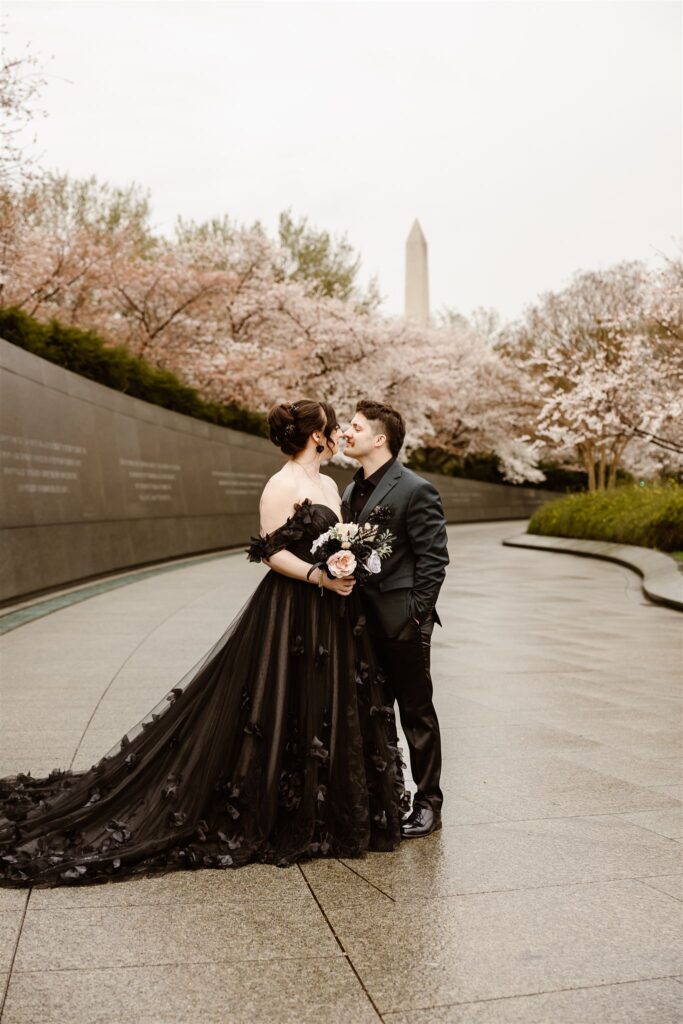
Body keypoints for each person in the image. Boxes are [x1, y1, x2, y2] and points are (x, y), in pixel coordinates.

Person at [0, 399, 407, 888]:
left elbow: (338, 539)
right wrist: (321, 575)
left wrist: (348, 563)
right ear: (316, 436)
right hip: (294, 606)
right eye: (331, 426)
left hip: (334, 612)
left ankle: (325, 810)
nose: (339, 431)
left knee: (328, 701)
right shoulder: (280, 485)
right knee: (281, 701)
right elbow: (271, 552)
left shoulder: (328, 485)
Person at [343, 399, 449, 838]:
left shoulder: (416, 489)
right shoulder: (350, 491)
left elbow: (434, 559)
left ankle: (429, 803)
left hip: (402, 620)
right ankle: (386, 796)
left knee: (416, 711)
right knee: (371, 709)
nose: (347, 433)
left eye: (355, 427)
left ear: (379, 439)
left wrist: (416, 617)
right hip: (357, 621)